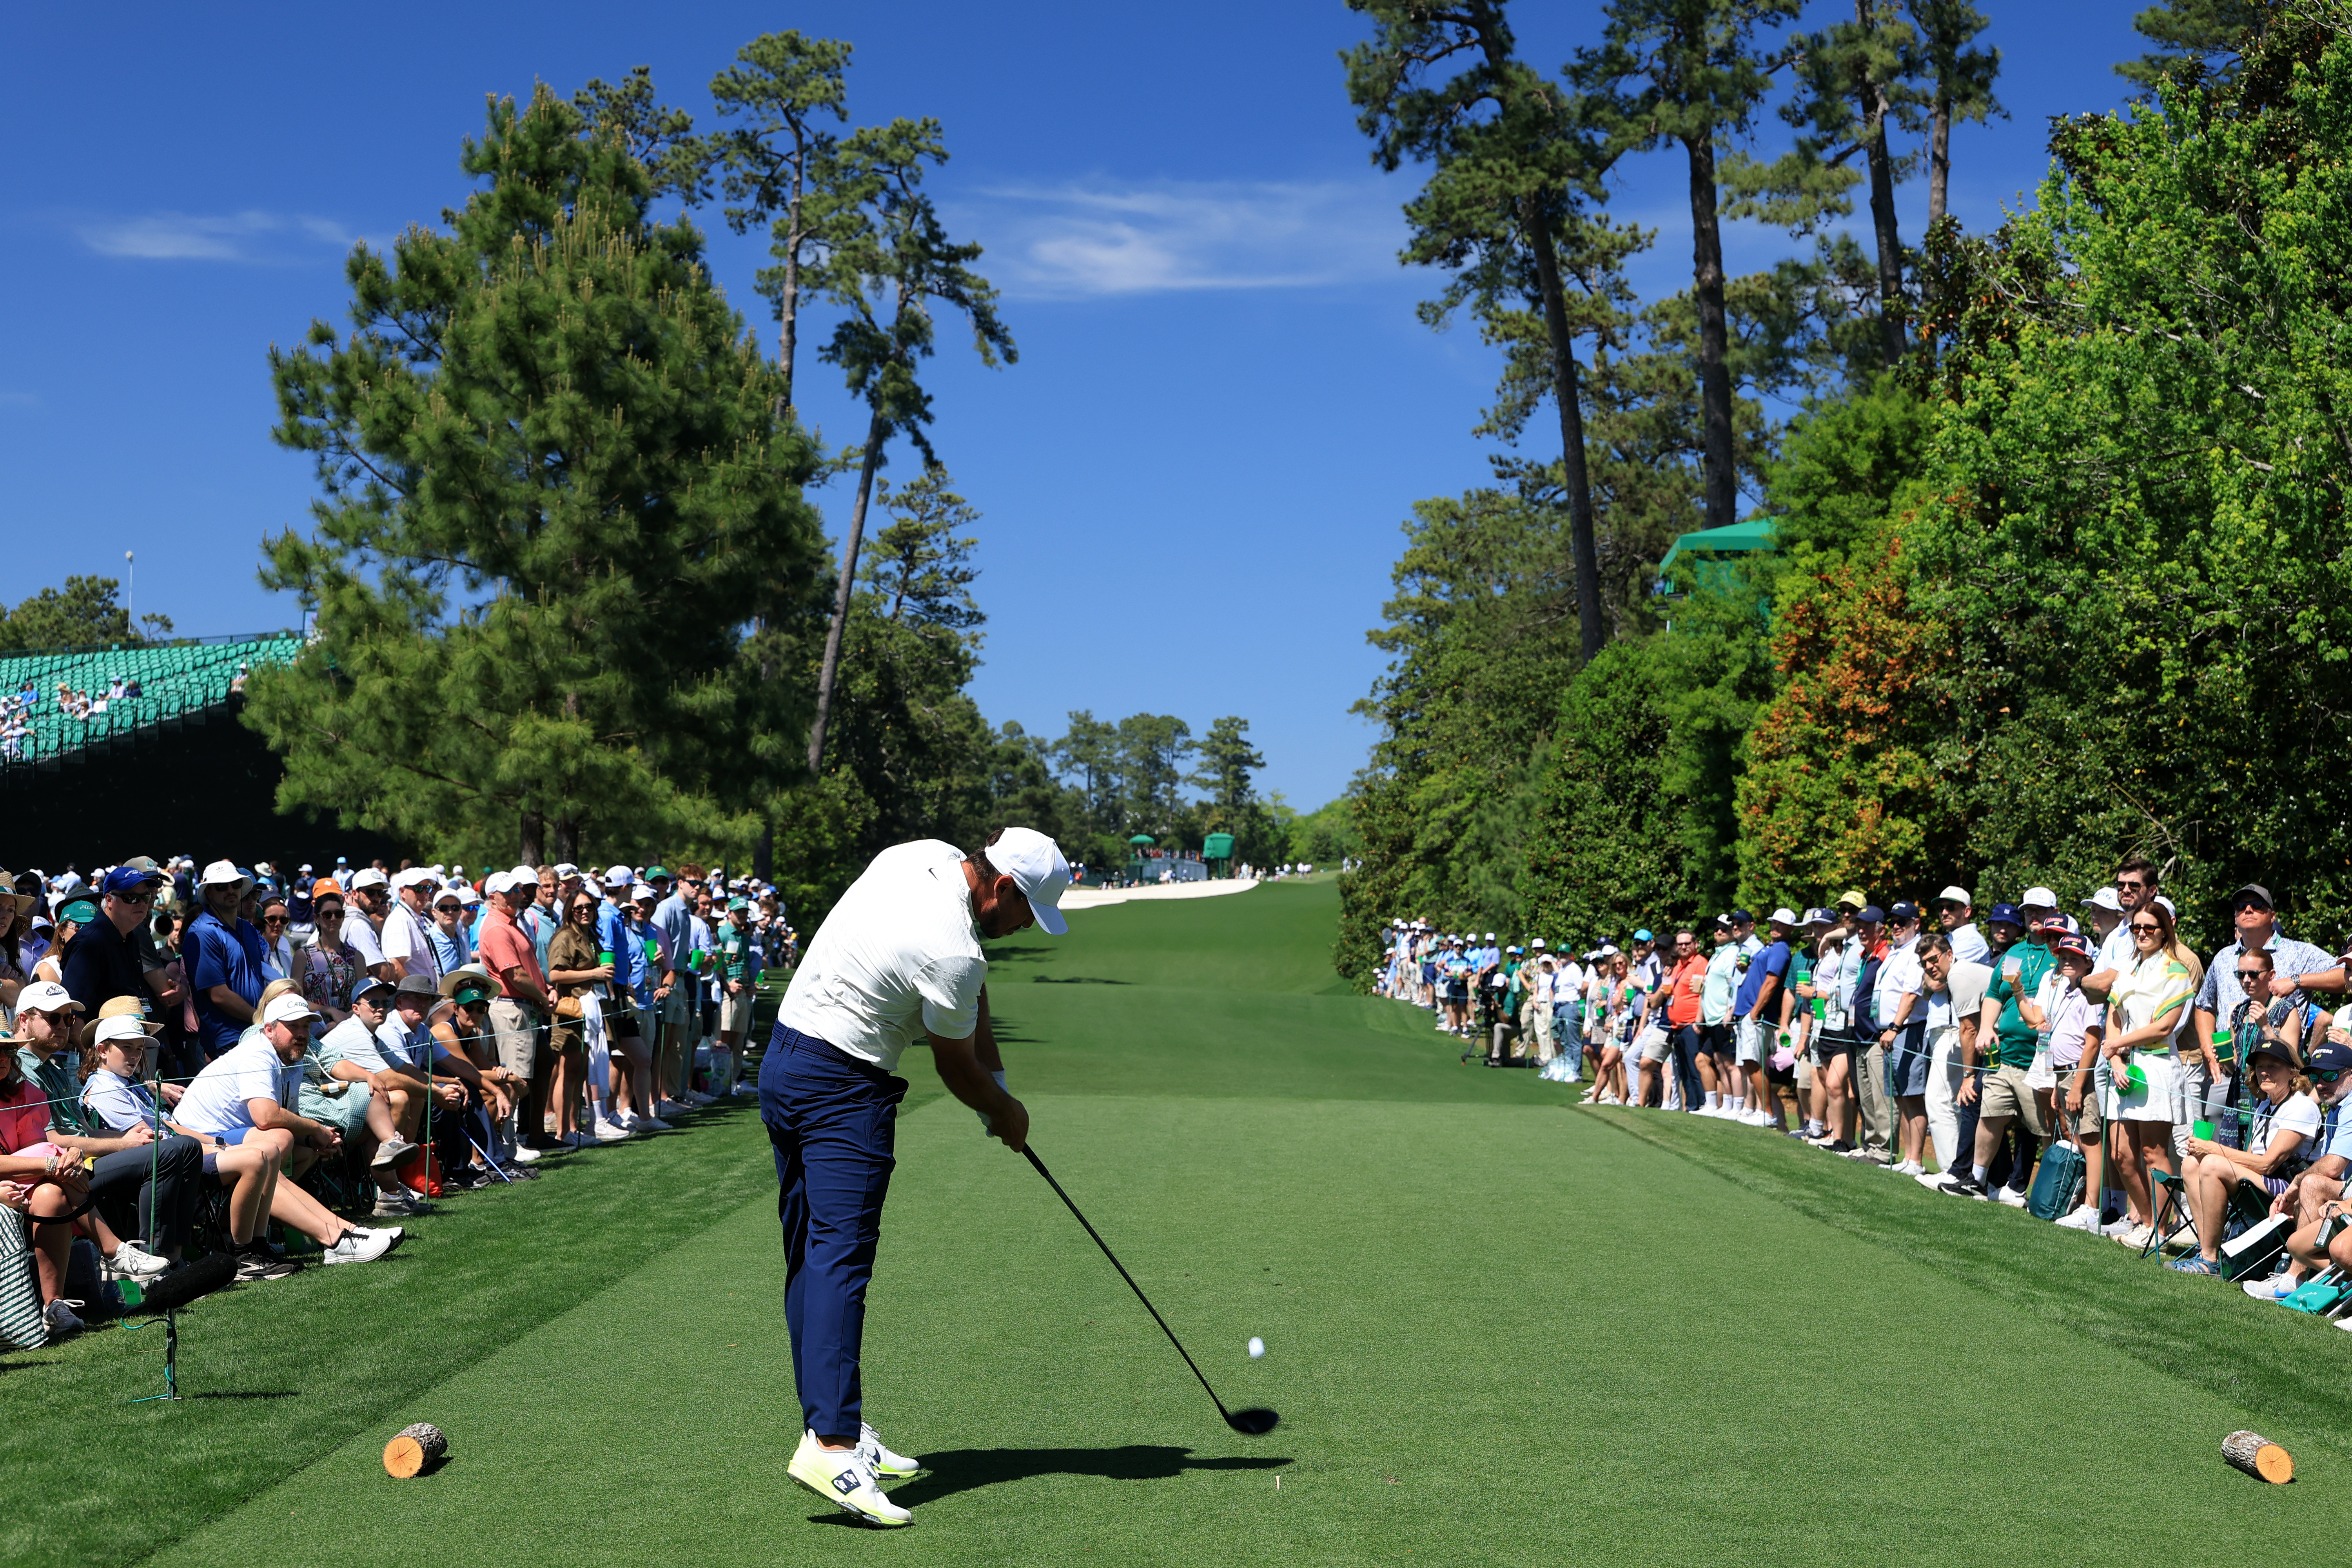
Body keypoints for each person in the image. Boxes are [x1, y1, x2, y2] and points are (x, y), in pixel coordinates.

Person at [761, 827, 1066, 1527]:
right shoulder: (952, 949)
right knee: (841, 1261)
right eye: (1027, 914)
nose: (1024, 929)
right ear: (1005, 887)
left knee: (812, 1256)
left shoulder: (919, 855)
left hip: (783, 1062)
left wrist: (1001, 1086)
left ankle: (830, 1423)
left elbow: (973, 995)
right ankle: (834, 1447)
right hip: (844, 1088)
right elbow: (954, 1065)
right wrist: (1005, 1111)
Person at [172, 992, 398, 1270]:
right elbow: (266, 1118)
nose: (302, 1034)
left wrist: (314, 1138)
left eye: (306, 1026)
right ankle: (335, 1237)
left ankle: (340, 1233)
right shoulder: (258, 1054)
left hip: (230, 1140)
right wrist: (316, 1129)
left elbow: (277, 1121)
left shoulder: (290, 1058)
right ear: (269, 1029)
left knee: (297, 1149)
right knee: (275, 1144)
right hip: (195, 1142)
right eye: (293, 1026)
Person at [2099, 897, 2204, 1246]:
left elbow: (2164, 1028)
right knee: (2120, 1155)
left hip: (2157, 1067)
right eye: (2136, 928)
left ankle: (2159, 1230)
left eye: (2150, 928)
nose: (2142, 933)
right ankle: (2146, 1223)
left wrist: (2119, 1046)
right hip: (2124, 1068)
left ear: (2165, 931)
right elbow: (2113, 1015)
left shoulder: (2175, 971)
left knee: (2152, 1154)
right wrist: (2115, 1059)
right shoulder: (2128, 968)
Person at [2169, 1040, 2321, 1276]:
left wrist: (2212, 1150)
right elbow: (2251, 1158)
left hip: (2288, 1189)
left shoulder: (2302, 1106)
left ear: (2293, 1071)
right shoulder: (2264, 1106)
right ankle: (2208, 1249)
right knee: (2191, 1164)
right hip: (2258, 1182)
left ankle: (2209, 1260)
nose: (2264, 1072)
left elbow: (2268, 1164)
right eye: (2259, 1067)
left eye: (2273, 1066)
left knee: (2210, 1163)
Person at [184, 860, 269, 1060]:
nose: (230, 890)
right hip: (228, 1040)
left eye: (236, 885)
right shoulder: (203, 932)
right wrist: (261, 1018)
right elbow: (219, 995)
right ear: (209, 893)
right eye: (222, 887)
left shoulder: (248, 928)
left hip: (256, 1030)